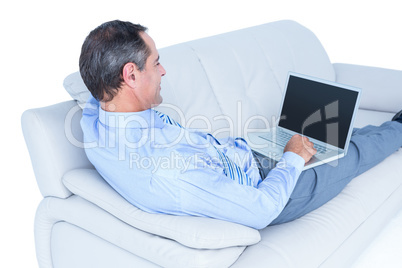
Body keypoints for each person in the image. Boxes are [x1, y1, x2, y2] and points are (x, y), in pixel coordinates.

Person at [79, 20, 402, 229]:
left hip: (240, 153)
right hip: (272, 190)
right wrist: (291, 158)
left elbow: (93, 92)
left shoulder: (97, 121)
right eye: (156, 62)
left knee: (334, 135)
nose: (163, 72)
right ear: (130, 75)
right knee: (354, 152)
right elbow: (261, 210)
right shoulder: (168, 171)